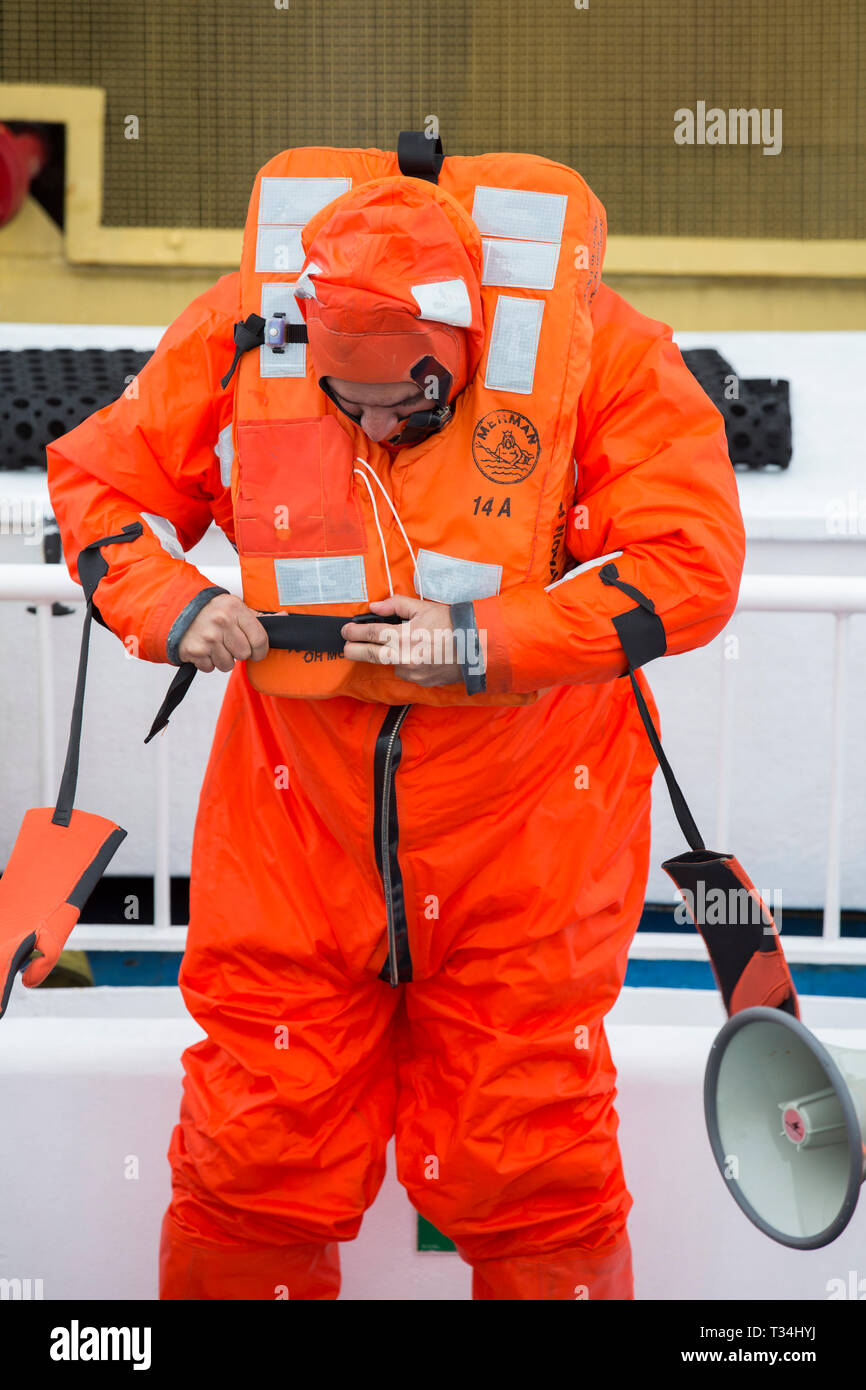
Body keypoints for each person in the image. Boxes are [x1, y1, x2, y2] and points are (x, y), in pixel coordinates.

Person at [46, 140, 746, 1301]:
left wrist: (487, 641)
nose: (373, 429)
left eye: (407, 404)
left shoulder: (596, 350)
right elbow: (101, 481)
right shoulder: (248, 325)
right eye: (345, 400)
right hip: (291, 828)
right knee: (252, 1146)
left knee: (532, 1153)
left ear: (465, 347)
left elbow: (692, 561)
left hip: (528, 831)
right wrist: (174, 605)